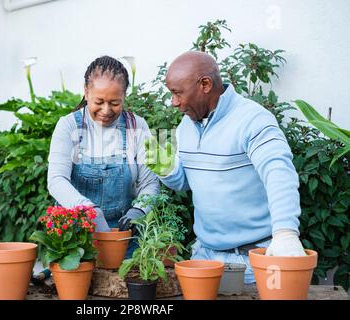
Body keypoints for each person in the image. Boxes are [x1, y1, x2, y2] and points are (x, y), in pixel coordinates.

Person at [145, 51, 306, 284]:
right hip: (203, 256)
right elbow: (186, 183)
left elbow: (278, 173)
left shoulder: (253, 120)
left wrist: (286, 233)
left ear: (205, 84)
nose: (174, 102)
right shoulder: (186, 125)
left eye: (178, 93)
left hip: (251, 261)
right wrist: (167, 170)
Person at [32, 56, 160, 283]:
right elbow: (57, 180)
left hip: (126, 242)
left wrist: (139, 210)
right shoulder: (69, 126)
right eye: (98, 101)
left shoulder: (136, 126)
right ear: (85, 92)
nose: (106, 110)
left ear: (124, 97)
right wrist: (90, 211)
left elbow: (150, 182)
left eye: (115, 103)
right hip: (76, 242)